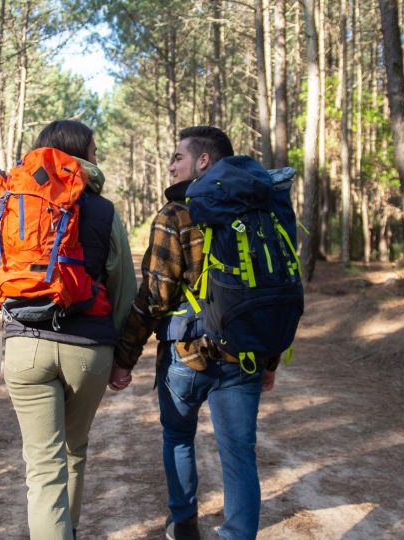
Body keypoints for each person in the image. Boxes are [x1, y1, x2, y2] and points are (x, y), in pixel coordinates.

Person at [0, 120, 135, 540]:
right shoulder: (105, 210)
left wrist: (17, 303)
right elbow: (125, 291)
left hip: (26, 347)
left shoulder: (14, 200)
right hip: (88, 351)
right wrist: (116, 353)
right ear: (84, 154)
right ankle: (69, 532)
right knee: (74, 451)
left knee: (43, 467)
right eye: (95, 150)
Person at [111, 126, 282, 540]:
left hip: (186, 355)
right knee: (240, 453)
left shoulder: (176, 214)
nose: (171, 165)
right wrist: (270, 358)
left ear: (203, 161)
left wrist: (124, 357)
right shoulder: (260, 211)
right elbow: (276, 289)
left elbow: (154, 295)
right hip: (244, 356)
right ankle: (238, 534)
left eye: (178, 157)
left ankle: (184, 523)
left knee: (178, 437)